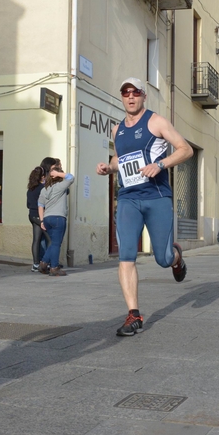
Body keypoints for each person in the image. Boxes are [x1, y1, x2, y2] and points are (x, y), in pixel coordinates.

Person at [96, 77, 193, 336]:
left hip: (157, 197)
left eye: (135, 92)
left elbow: (186, 150)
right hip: (128, 197)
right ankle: (134, 315)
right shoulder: (117, 130)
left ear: (143, 96)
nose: (130, 97)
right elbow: (121, 159)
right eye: (126, 92)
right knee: (126, 255)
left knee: (162, 258)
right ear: (122, 96)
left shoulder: (156, 121)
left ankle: (176, 257)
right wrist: (109, 167)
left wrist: (160, 164)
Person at [38, 158, 74, 276]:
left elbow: (40, 205)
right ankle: (54, 268)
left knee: (54, 243)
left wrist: (42, 220)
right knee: (56, 244)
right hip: (58, 218)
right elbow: (71, 177)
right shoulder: (60, 186)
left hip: (47, 218)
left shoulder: (44, 189)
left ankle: (43, 263)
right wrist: (58, 173)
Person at [27, 166, 52, 272]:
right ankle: (47, 262)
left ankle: (35, 264)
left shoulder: (30, 189)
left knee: (36, 240)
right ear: (42, 177)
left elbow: (28, 204)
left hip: (32, 215)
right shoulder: (42, 188)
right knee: (51, 239)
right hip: (40, 216)